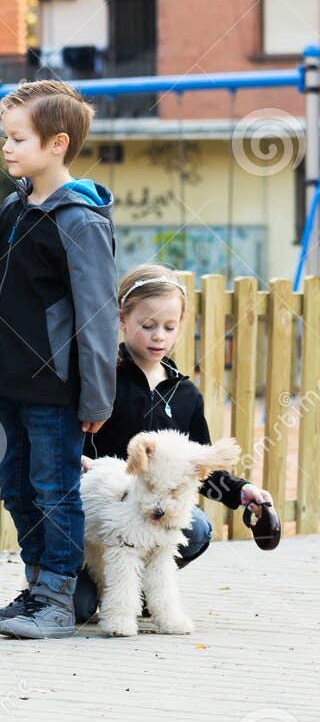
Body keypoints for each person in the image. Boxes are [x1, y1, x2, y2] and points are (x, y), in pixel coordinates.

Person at [0, 79, 117, 640]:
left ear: (57, 144)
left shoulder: (79, 219)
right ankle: (36, 588)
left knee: (54, 488)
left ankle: (59, 599)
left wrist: (96, 395)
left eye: (17, 138)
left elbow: (98, 315)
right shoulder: (12, 209)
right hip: (8, 381)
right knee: (15, 485)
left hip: (56, 387)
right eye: (4, 137)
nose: (6, 148)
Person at [71, 264, 276, 621]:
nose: (158, 337)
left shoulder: (185, 394)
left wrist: (243, 491)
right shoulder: (102, 377)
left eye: (169, 327)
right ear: (123, 320)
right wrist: (77, 459)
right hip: (100, 509)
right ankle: (80, 582)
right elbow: (70, 434)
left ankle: (146, 589)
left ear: (181, 324)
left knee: (196, 526)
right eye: (147, 326)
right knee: (80, 610)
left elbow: (201, 468)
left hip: (154, 510)